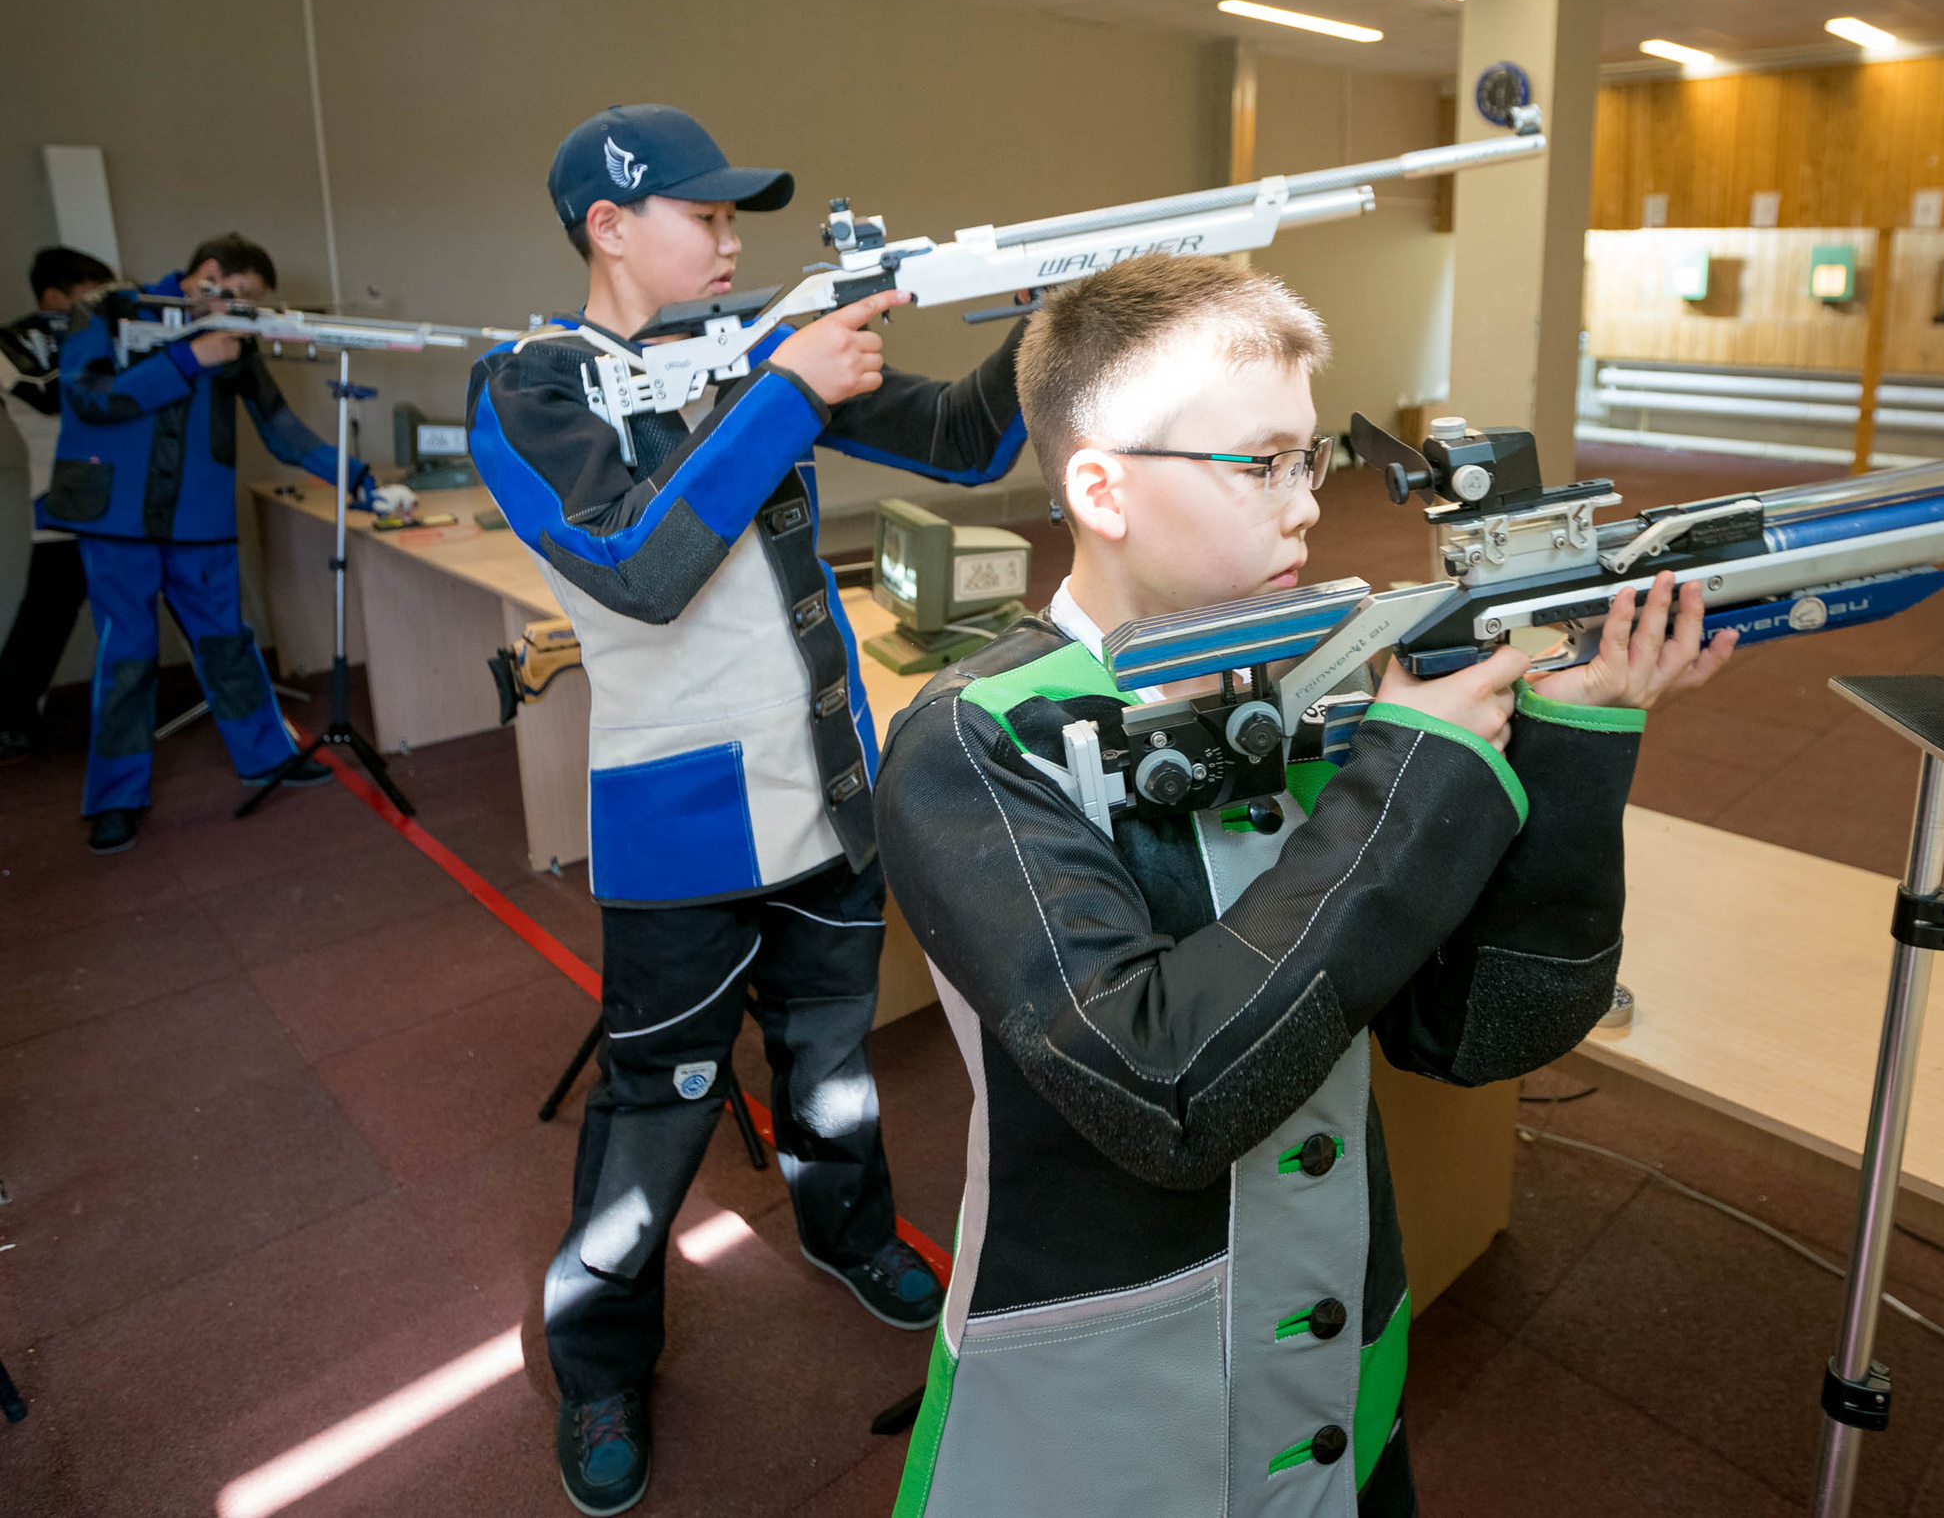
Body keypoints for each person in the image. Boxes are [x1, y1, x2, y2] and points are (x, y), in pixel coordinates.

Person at [872, 254, 1738, 1517]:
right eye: (1260, 464)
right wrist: (1409, 779)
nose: (1307, 508)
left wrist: (1575, 736)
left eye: (1309, 458)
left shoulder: (1314, 690)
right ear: (1101, 488)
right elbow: (1166, 1094)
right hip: (1099, 1389)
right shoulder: (976, 741)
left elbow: (1480, 1031)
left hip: (1332, 1359)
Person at [469, 103, 1025, 1517]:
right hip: (680, 824)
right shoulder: (531, 387)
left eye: (736, 220)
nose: (729, 242)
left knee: (832, 1061)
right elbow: (636, 567)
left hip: (825, 789)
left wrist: (1054, 313)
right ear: (607, 225)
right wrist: (786, 388)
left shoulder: (750, 351)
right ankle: (601, 1360)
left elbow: (964, 441)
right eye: (703, 216)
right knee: (657, 1109)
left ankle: (846, 1229)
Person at [42, 234, 355, 851]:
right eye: (239, 294)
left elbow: (280, 426)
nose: (243, 310)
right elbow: (87, 396)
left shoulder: (233, 335)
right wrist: (190, 359)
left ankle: (267, 758)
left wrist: (356, 477)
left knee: (227, 643)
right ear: (207, 273)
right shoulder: (108, 309)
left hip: (198, 520)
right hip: (115, 519)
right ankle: (115, 799)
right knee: (126, 654)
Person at [0, 246, 116, 760]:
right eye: (90, 298)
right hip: (59, 498)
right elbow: (47, 393)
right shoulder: (10, 342)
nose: (99, 309)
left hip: (118, 491)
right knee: (46, 616)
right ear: (53, 297)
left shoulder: (96, 336)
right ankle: (9, 718)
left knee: (152, 598)